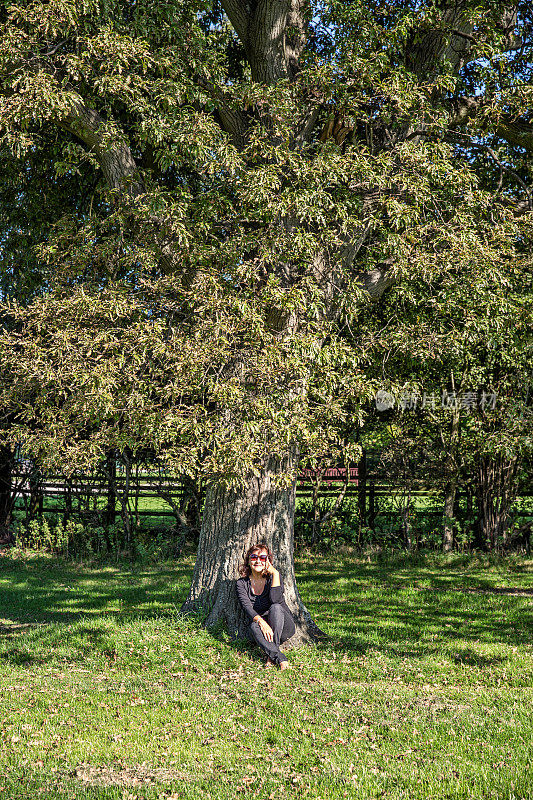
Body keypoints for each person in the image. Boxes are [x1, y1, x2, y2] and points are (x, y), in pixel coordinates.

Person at [236, 542, 296, 670]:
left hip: (284, 624)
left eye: (262, 558)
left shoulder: (274, 577)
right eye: (254, 557)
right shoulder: (241, 583)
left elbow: (276, 600)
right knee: (253, 625)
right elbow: (247, 607)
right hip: (264, 626)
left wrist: (274, 572)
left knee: (275, 607)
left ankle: (271, 655)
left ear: (268, 560)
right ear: (248, 560)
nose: (258, 561)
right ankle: (279, 657)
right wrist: (262, 623)